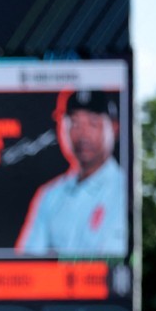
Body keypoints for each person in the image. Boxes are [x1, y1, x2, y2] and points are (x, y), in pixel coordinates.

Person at [16, 89, 127, 257]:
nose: (83, 134)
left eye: (93, 123)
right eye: (74, 122)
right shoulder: (49, 195)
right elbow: (28, 263)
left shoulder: (125, 191)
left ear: (114, 127)